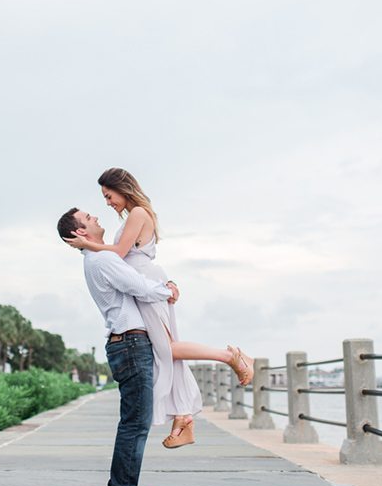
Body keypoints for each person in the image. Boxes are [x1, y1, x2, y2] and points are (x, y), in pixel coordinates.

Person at [65, 167, 254, 449]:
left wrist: (86, 245)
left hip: (146, 283)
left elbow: (118, 254)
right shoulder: (136, 215)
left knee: (165, 348)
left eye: (108, 195)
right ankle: (183, 417)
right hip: (146, 282)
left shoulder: (138, 213)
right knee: (164, 350)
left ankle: (229, 357)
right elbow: (122, 257)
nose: (107, 203)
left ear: (121, 187)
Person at [57, 207, 179, 486]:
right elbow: (137, 286)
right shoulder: (102, 259)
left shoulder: (97, 258)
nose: (96, 217)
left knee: (134, 421)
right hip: (130, 343)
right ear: (81, 232)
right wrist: (169, 290)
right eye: (89, 218)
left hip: (126, 344)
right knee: (135, 422)